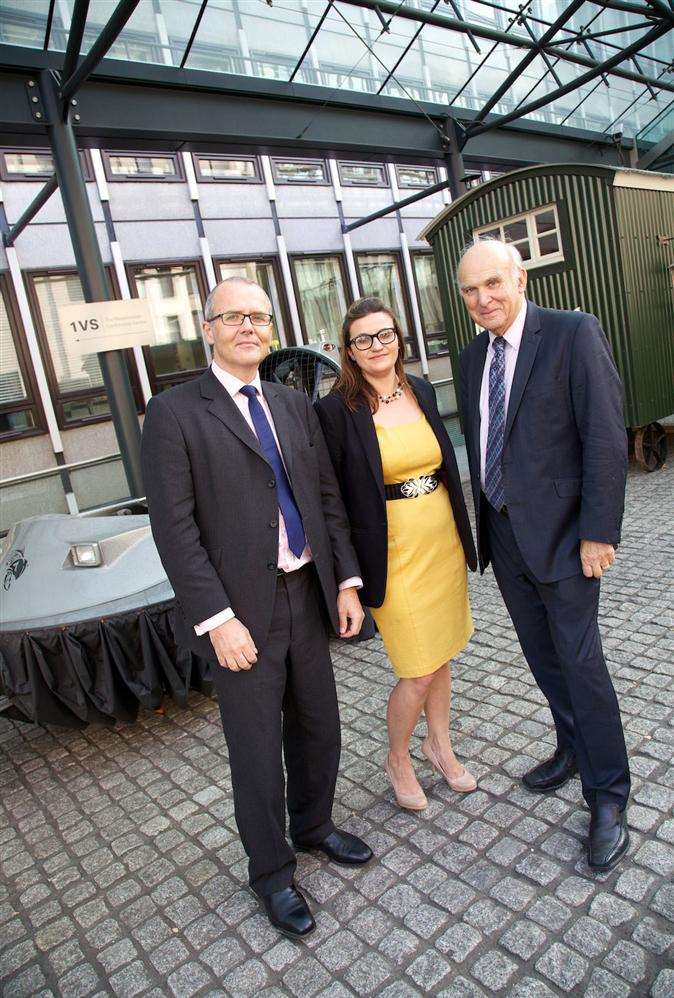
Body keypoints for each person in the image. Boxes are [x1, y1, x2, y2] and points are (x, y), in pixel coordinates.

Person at [141, 277, 372, 939]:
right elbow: (174, 527)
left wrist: (346, 583)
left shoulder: (291, 404)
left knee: (319, 725)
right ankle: (271, 872)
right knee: (254, 750)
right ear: (207, 327)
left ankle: (316, 826)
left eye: (260, 316)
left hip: (306, 592)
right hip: (241, 612)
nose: (249, 327)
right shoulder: (175, 413)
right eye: (233, 316)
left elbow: (326, 499)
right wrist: (218, 620)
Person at [456, 238, 630, 872]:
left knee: (582, 664)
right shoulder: (473, 357)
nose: (482, 299)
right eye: (470, 290)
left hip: (565, 537)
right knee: (542, 657)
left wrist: (598, 531)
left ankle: (608, 794)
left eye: (492, 284)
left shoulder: (572, 333)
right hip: (505, 538)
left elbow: (606, 436)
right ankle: (571, 743)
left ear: (519, 277)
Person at [315, 297, 478, 812]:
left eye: (385, 334)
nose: (376, 346)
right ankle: (399, 757)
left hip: (441, 543)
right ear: (349, 351)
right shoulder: (336, 410)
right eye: (363, 339)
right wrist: (347, 577)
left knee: (442, 650)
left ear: (399, 340)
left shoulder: (423, 390)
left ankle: (441, 745)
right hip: (390, 553)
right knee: (418, 667)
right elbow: (331, 500)